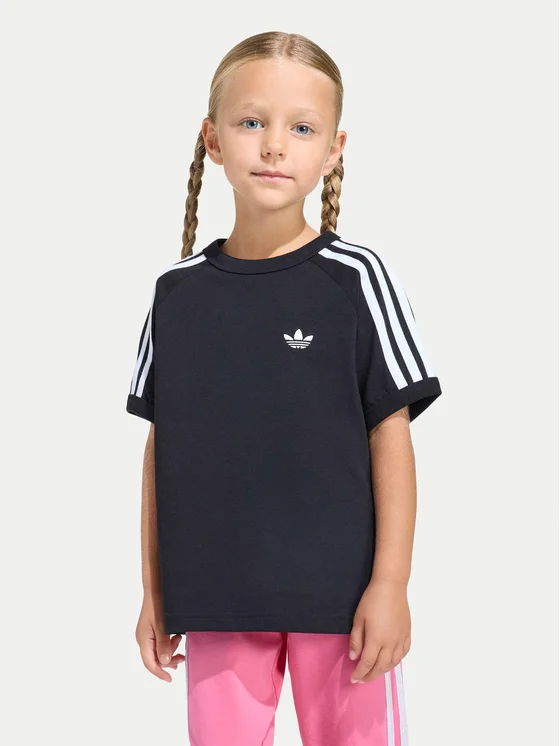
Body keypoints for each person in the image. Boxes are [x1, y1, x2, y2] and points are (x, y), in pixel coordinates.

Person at [126, 30, 442, 746]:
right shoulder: (176, 294)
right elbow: (161, 451)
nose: (274, 146)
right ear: (212, 139)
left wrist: (390, 584)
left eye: (301, 128)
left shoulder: (356, 279)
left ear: (333, 149)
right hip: (215, 597)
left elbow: (391, 436)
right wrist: (155, 591)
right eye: (251, 122)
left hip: (344, 603)